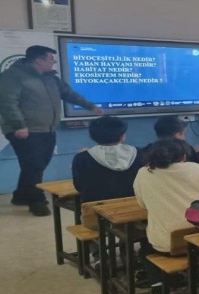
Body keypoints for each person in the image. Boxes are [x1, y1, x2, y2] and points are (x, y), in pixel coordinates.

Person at [0, 45, 103, 216]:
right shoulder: (13, 76)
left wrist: (90, 106)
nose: (54, 61)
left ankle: (21, 195)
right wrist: (19, 125)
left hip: (47, 129)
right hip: (25, 130)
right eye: (50, 58)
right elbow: (7, 103)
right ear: (38, 60)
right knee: (34, 166)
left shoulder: (50, 78)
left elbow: (69, 94)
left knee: (36, 165)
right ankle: (37, 201)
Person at [133, 138, 199, 294]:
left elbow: (142, 204)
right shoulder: (197, 169)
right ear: (183, 156)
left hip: (165, 245)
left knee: (145, 248)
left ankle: (157, 291)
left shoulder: (144, 173)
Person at [72, 116, 143, 203]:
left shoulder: (82, 158)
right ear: (122, 136)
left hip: (96, 208)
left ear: (92, 136)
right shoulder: (139, 153)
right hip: (135, 204)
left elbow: (79, 186)